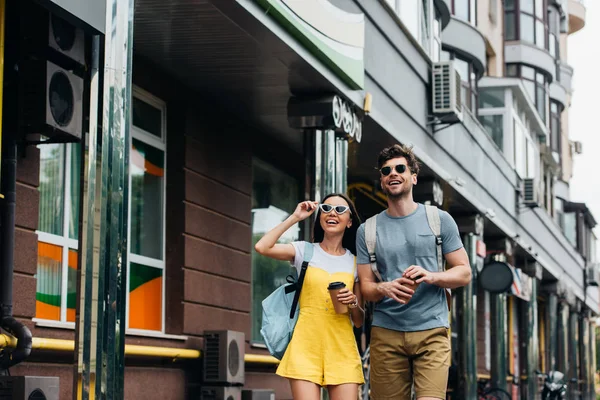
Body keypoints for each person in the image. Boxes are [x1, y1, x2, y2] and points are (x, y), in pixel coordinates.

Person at [356, 144, 472, 400]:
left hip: (432, 329)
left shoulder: (439, 219)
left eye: (400, 168)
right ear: (382, 181)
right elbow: (365, 287)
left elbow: (464, 272)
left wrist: (431, 276)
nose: (392, 173)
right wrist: (383, 287)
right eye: (386, 171)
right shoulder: (368, 230)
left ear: (413, 177)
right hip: (386, 332)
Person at [255, 193, 365, 400]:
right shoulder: (304, 251)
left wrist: (353, 302)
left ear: (349, 222)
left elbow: (358, 321)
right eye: (326, 208)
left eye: (340, 210)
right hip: (305, 345)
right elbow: (262, 247)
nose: (332, 213)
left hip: (342, 346)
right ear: (320, 216)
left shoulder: (356, 263)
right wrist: (295, 217)